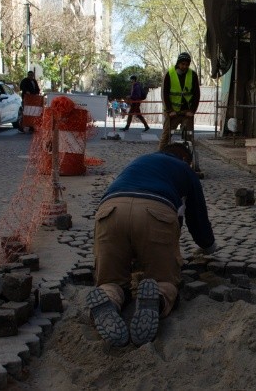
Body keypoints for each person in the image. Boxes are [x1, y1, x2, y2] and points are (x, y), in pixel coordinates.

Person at [86, 142, 217, 347]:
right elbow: (196, 217)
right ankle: (156, 298)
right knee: (164, 281)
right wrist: (208, 246)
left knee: (110, 281)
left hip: (110, 211)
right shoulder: (184, 169)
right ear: (185, 160)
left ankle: (108, 298)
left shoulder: (140, 161)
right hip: (155, 210)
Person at [158, 52, 200, 150]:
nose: (184, 66)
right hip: (172, 112)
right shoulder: (169, 74)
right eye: (182, 64)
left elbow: (196, 95)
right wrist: (169, 110)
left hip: (187, 111)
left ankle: (188, 157)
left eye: (187, 64)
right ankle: (159, 156)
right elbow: (164, 94)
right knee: (166, 136)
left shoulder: (193, 75)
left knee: (189, 137)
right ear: (178, 63)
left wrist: (192, 111)